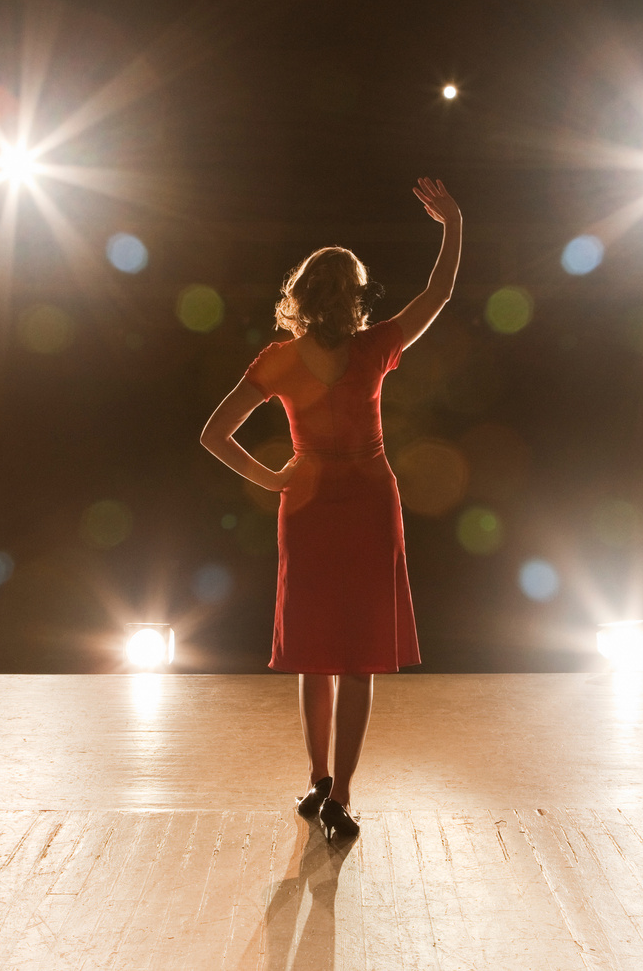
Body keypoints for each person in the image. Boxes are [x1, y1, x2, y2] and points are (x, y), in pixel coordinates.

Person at [200, 177, 463, 839]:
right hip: (371, 501)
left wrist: (271, 479)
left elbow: (212, 434)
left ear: (301, 295)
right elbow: (440, 293)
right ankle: (340, 793)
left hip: (309, 502)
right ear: (352, 296)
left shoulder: (280, 359)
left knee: (315, 651)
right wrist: (452, 223)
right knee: (358, 655)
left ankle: (318, 780)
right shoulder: (373, 348)